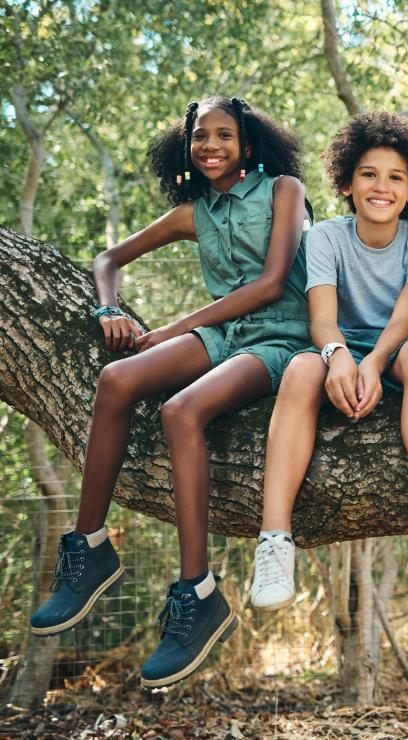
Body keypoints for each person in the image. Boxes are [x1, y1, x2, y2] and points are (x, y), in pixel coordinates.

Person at [30, 97, 312, 689]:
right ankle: (89, 548)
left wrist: (168, 329)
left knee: (181, 410)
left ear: (248, 144)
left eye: (224, 135)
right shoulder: (194, 213)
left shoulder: (283, 190)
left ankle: (198, 593)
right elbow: (107, 258)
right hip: (219, 336)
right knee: (117, 379)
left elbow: (269, 284)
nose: (211, 146)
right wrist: (109, 306)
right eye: (200, 137)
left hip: (281, 338)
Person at [251, 111, 408, 612]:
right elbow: (321, 319)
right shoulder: (324, 237)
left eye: (395, 178)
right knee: (300, 370)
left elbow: (407, 318)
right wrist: (339, 356)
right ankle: (274, 541)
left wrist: (375, 364)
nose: (381, 186)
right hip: (342, 341)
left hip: (404, 345)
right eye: (368, 174)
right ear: (346, 182)